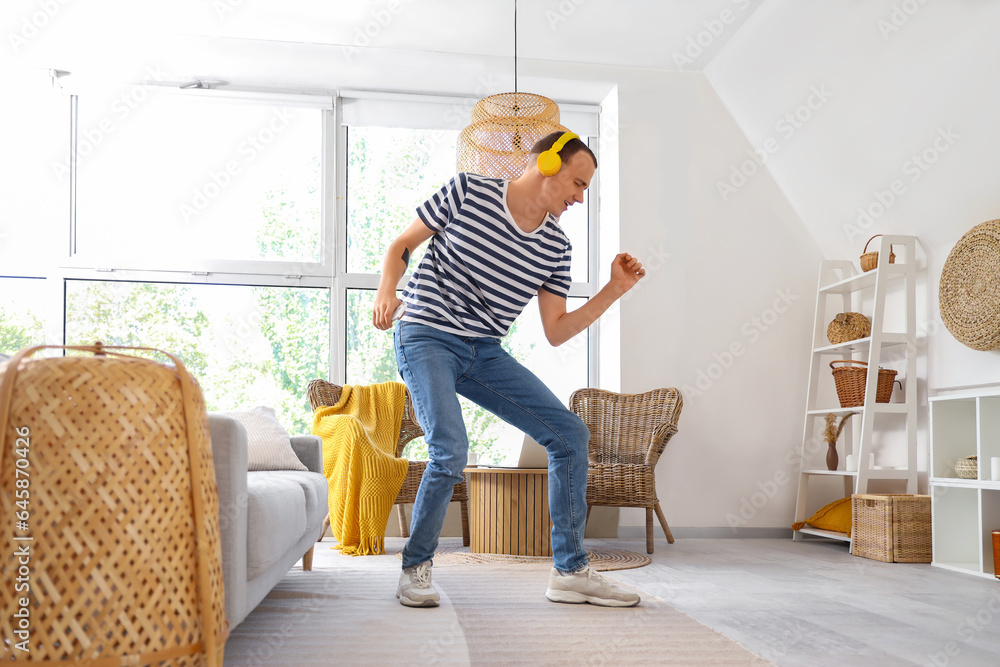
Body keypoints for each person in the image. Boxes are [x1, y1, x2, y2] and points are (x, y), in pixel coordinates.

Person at [373, 130, 646, 608]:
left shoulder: (556, 247)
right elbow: (403, 243)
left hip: (482, 350)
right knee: (450, 448)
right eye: (577, 183)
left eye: (585, 189)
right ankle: (416, 567)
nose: (580, 197)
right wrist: (386, 290)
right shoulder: (468, 191)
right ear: (547, 164)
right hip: (425, 332)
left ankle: (570, 571)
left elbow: (557, 330)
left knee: (568, 434)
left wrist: (614, 289)